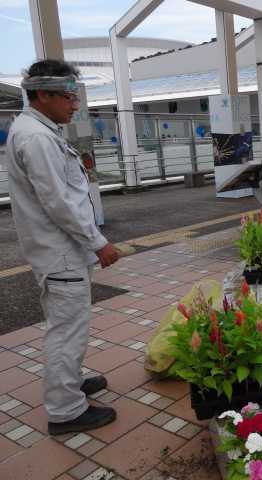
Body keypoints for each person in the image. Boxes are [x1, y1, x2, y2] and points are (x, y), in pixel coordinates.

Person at [6, 60, 119, 435]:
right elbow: (59, 203)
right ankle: (65, 409)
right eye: (68, 97)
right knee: (67, 329)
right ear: (42, 94)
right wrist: (99, 242)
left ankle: (70, 381)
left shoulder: (40, 130)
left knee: (70, 324)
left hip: (58, 250)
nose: (75, 105)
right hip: (60, 251)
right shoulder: (37, 138)